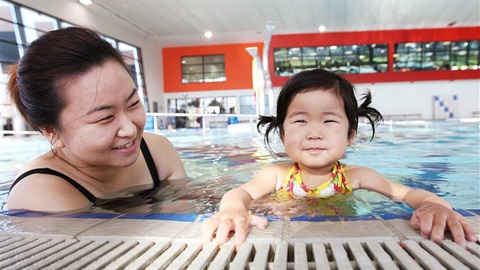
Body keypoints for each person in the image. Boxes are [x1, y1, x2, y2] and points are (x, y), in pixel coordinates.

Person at [202, 68, 477, 249]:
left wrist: (434, 206)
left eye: (329, 120)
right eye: (300, 120)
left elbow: (409, 194)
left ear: (350, 135)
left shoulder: (358, 176)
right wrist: (232, 210)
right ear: (283, 134)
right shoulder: (276, 175)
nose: (314, 133)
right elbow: (239, 193)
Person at [5, 27, 186, 213]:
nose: (130, 130)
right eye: (105, 118)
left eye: (133, 103)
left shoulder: (157, 151)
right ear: (52, 132)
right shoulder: (39, 193)